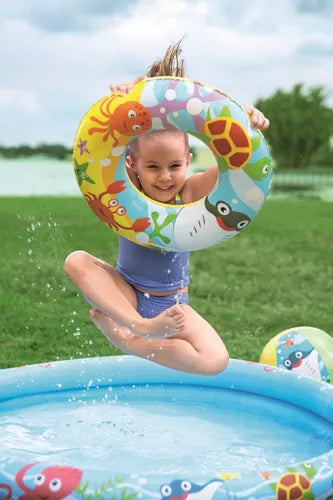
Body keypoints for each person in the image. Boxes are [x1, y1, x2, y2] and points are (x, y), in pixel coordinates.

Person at [65, 40, 269, 375]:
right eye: (153, 168)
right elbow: (103, 142)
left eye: (175, 166)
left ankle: (130, 341)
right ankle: (138, 326)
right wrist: (129, 94)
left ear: (188, 161)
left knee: (215, 361)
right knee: (76, 261)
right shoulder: (127, 189)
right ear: (131, 164)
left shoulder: (189, 191)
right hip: (126, 294)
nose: (164, 178)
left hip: (173, 304)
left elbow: (238, 167)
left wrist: (247, 124)